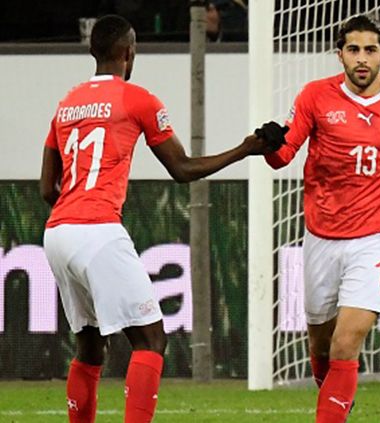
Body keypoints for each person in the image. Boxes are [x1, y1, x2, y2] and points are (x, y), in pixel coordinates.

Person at [39, 15, 285, 423]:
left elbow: (48, 189)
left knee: (89, 346)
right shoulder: (137, 99)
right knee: (151, 338)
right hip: (96, 230)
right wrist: (245, 149)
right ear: (129, 52)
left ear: (92, 51)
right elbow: (183, 169)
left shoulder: (66, 104)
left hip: (58, 233)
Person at [263, 14, 380, 423]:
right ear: (339, 55)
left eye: (369, 50)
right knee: (323, 347)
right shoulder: (314, 96)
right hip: (322, 238)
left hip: (377, 239)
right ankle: (337, 403)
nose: (361, 59)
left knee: (348, 343)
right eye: (353, 50)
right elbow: (283, 156)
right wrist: (268, 145)